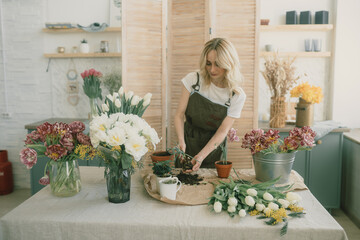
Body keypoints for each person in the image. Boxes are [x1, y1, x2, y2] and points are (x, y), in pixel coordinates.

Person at [174, 38, 246, 172]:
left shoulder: (236, 95)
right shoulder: (193, 80)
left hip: (213, 149)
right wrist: (181, 141)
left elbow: (223, 131)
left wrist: (201, 156)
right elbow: (179, 115)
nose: (212, 69)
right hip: (188, 141)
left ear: (229, 64)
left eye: (218, 64)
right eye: (208, 63)